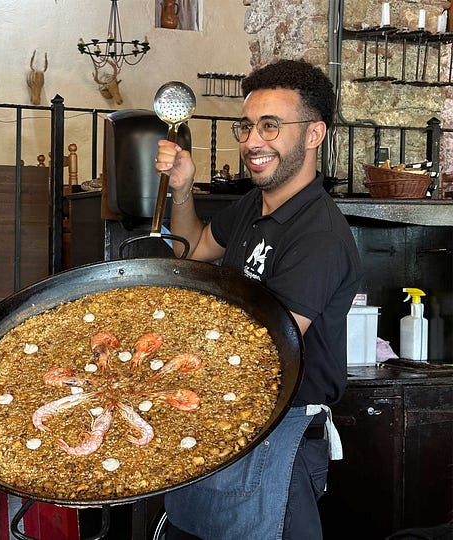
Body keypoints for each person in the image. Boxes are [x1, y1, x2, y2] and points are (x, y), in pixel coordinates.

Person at [154, 59, 362, 540]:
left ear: (313, 135)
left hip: (279, 435)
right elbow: (198, 254)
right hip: (228, 416)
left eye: (270, 127)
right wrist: (182, 191)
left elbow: (265, 352)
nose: (251, 142)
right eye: (246, 126)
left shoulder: (319, 235)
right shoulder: (254, 204)